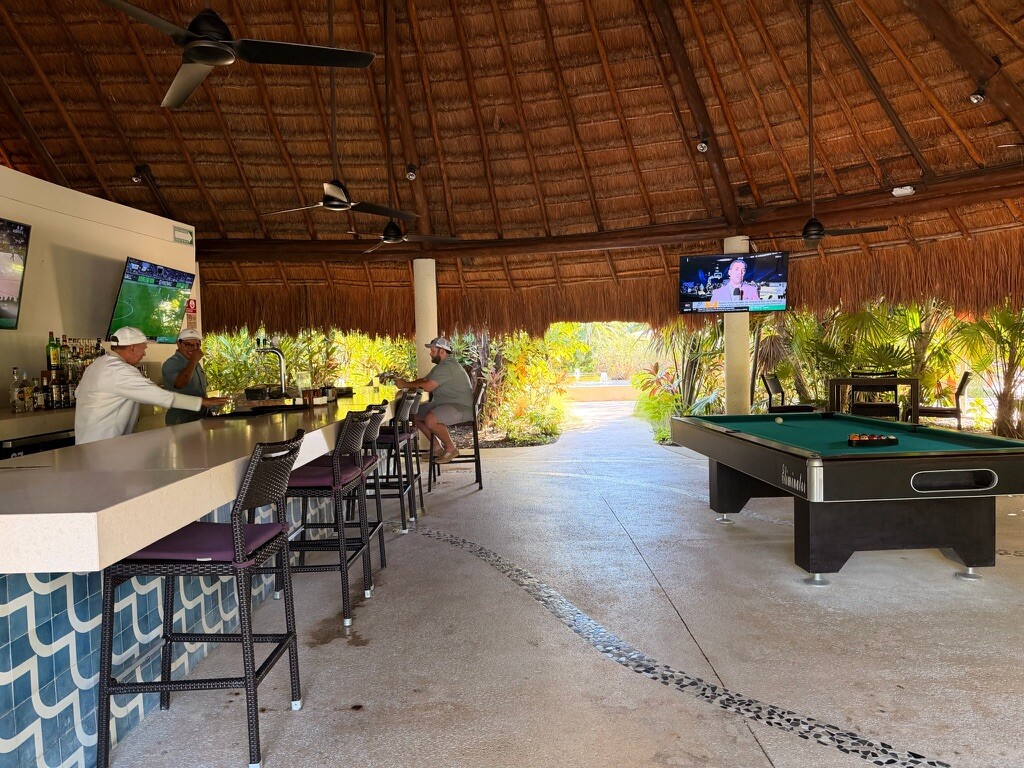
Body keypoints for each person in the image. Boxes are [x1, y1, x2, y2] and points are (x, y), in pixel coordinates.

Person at [75, 326, 227, 445]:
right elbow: (159, 396)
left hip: (89, 441)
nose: (144, 354)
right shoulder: (120, 371)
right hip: (104, 443)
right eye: (144, 348)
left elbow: (77, 393)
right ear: (132, 347)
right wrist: (203, 402)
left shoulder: (99, 364)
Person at [393, 336, 474, 464]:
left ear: (442, 351)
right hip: (447, 404)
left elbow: (428, 387)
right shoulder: (442, 366)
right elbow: (424, 381)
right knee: (415, 415)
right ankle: (437, 448)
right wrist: (407, 383)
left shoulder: (447, 366)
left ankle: (451, 448)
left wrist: (405, 385)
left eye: (432, 351)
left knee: (431, 419)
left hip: (461, 407)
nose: (430, 354)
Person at [162, 328, 210, 425]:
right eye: (188, 345)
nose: (194, 348)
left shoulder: (194, 362)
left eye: (198, 345)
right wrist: (194, 360)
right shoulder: (171, 363)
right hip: (182, 419)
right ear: (178, 344)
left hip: (200, 416)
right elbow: (180, 384)